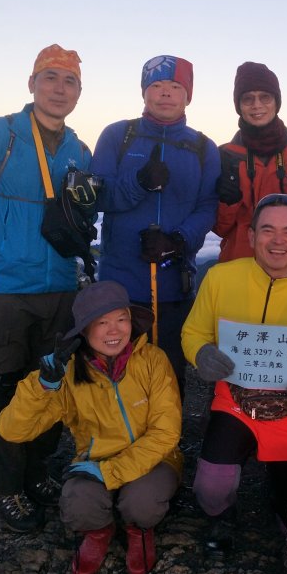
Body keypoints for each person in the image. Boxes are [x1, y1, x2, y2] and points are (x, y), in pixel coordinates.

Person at [0, 44, 95, 533]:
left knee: (51, 387)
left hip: (60, 287)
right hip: (6, 287)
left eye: (69, 81)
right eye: (49, 78)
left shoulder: (79, 150)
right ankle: (6, 485)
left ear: (78, 92)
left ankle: (37, 473)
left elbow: (77, 223)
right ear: (31, 84)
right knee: (5, 388)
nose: (58, 88)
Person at [0, 281, 182, 574]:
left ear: (131, 322)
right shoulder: (67, 373)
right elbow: (12, 430)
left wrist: (110, 473)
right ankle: (99, 533)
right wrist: (42, 385)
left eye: (121, 319)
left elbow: (166, 433)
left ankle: (138, 531)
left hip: (154, 460)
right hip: (95, 459)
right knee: (78, 502)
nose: (114, 330)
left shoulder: (153, 361)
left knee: (142, 503)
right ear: (84, 330)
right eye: (102, 322)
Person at [182, 193, 287, 551]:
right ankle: (223, 515)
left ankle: (278, 498)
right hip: (234, 399)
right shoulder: (220, 278)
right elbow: (193, 332)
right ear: (250, 237)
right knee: (210, 488)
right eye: (267, 230)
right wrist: (202, 353)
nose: (277, 241)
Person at [90, 55, 220, 396]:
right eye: (157, 85)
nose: (166, 93)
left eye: (175, 86)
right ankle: (119, 442)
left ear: (187, 95)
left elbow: (208, 206)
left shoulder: (204, 147)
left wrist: (178, 240)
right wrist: (140, 182)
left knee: (168, 371)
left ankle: (167, 444)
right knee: (117, 371)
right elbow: (99, 197)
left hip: (173, 284)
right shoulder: (118, 136)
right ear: (144, 92)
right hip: (120, 284)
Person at [214, 62, 287, 262]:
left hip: (285, 270)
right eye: (248, 99)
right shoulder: (224, 156)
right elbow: (220, 228)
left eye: (265, 97)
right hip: (237, 269)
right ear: (239, 106)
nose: (257, 105)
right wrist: (228, 204)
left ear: (276, 102)